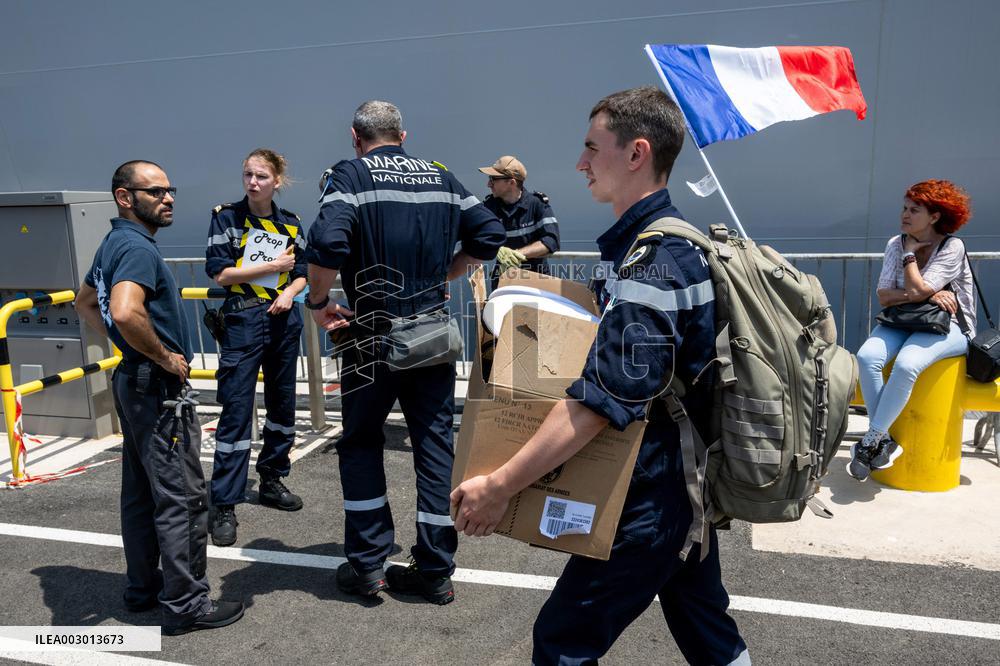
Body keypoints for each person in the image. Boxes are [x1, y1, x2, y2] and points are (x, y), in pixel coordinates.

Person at [451, 87, 749, 665]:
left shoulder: (656, 263)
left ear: (637, 153)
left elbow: (603, 400)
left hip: (651, 492)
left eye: (592, 147)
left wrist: (499, 486)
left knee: (563, 642)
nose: (581, 163)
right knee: (708, 629)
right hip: (677, 485)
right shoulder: (647, 250)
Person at [306, 100, 504, 604]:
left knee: (362, 443)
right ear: (403, 135)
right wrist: (445, 274)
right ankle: (436, 570)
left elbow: (328, 245)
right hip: (433, 333)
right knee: (435, 446)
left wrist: (319, 301)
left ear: (355, 136)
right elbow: (490, 234)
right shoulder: (441, 176)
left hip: (371, 334)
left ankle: (369, 565)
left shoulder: (349, 175)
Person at [75, 160, 244, 635]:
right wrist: (166, 358)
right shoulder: (135, 247)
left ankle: (143, 588)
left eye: (170, 191)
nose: (167, 199)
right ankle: (187, 605)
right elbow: (126, 312)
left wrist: (131, 350)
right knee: (185, 498)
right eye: (154, 192)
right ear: (124, 197)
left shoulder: (113, 242)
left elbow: (86, 302)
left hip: (132, 382)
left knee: (141, 493)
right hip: (157, 389)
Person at [204, 148, 308, 546]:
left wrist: (291, 293)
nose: (253, 182)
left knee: (283, 406)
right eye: (248, 174)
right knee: (235, 410)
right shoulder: (225, 217)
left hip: (283, 320)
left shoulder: (292, 223)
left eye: (262, 176)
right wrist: (271, 269)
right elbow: (220, 273)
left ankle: (272, 478)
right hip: (244, 320)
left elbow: (301, 271)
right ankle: (224, 502)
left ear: (276, 181)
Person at [851, 180, 974, 481]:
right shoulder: (896, 242)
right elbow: (885, 295)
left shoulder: (951, 246)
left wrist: (911, 262)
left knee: (907, 364)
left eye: (914, 210)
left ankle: (871, 440)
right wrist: (926, 293)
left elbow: (914, 288)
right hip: (903, 319)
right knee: (867, 358)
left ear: (935, 216)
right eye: (904, 208)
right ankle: (882, 442)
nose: (905, 215)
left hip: (950, 326)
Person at [478, 155, 560, 289]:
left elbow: (551, 241)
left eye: (493, 179)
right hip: (503, 281)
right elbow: (475, 237)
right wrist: (495, 249)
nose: (488, 184)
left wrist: (517, 254)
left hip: (536, 281)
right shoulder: (489, 207)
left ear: (511, 182)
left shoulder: (536, 204)